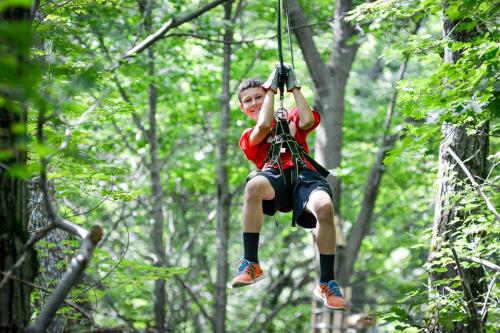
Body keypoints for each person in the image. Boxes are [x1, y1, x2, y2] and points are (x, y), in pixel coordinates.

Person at [231, 64, 347, 310]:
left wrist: (293, 88)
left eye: (258, 97)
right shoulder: (248, 136)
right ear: (242, 108)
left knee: (325, 208)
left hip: (304, 175)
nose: (254, 103)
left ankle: (327, 282)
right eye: (248, 101)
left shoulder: (290, 116)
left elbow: (307, 120)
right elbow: (263, 127)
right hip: (274, 178)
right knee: (253, 186)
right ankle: (251, 263)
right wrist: (271, 90)